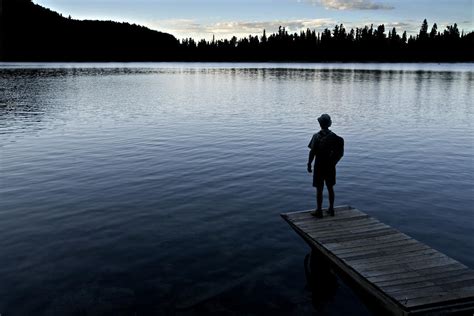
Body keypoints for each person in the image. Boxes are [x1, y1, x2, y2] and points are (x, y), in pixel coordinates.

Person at [307, 114, 344, 218]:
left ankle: (319, 210)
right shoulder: (336, 138)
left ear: (320, 124)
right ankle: (331, 209)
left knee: (319, 189)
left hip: (319, 165)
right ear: (329, 124)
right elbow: (340, 153)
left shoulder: (316, 136)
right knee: (330, 187)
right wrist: (333, 163)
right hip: (330, 166)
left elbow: (312, 152)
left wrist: (309, 164)